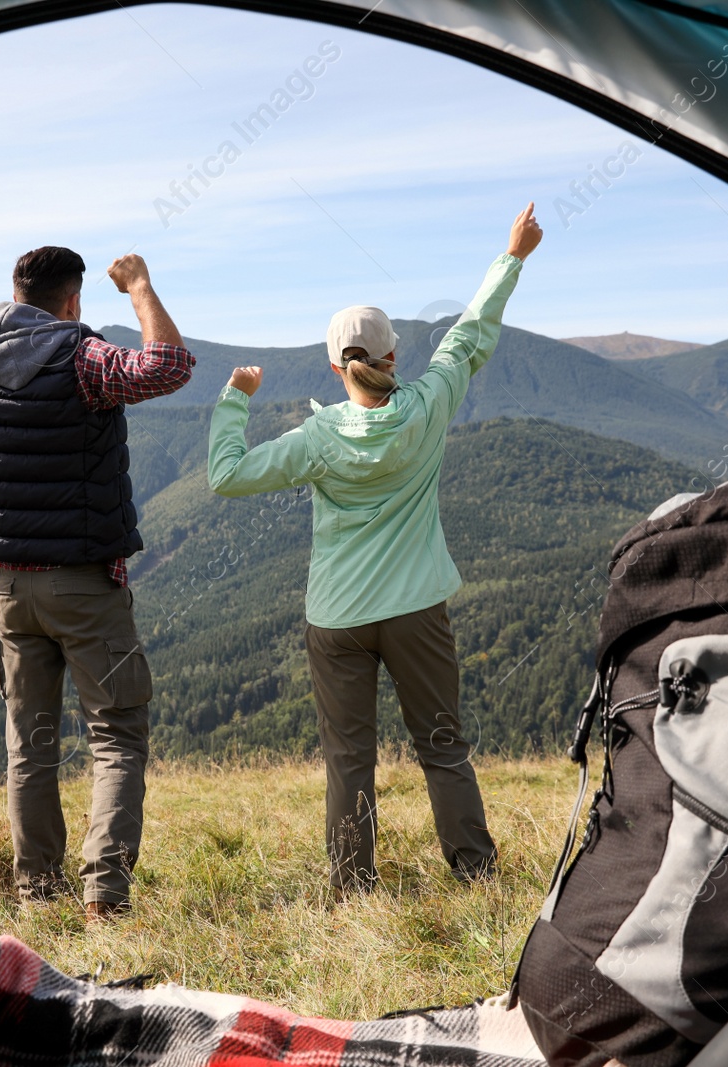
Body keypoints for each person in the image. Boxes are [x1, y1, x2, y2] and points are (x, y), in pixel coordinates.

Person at [206, 202, 544, 892]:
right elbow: (470, 334)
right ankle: (476, 874)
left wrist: (235, 398)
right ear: (394, 356)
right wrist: (513, 254)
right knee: (443, 748)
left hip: (337, 619)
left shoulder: (315, 440)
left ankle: (353, 888)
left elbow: (227, 476)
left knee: (349, 759)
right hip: (417, 608)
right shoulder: (427, 406)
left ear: (335, 368)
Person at [0, 177, 194, 921]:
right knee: (117, 734)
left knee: (29, 744)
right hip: (85, 585)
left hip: (8, 588)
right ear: (72, 301)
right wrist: (139, 288)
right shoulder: (83, 357)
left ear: (16, 292)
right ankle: (105, 892)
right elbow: (167, 366)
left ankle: (37, 890)